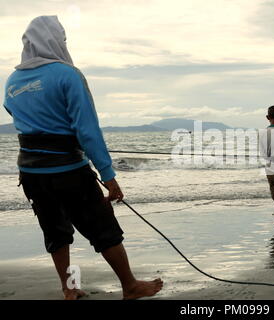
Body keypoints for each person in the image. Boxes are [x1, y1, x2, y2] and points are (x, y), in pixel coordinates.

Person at [2, 16, 163, 300]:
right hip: (69, 172)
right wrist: (108, 175)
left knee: (55, 230)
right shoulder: (68, 75)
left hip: (31, 174)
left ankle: (70, 289)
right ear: (54, 41)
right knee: (103, 228)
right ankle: (130, 286)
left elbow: (18, 118)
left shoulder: (12, 81)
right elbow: (87, 130)